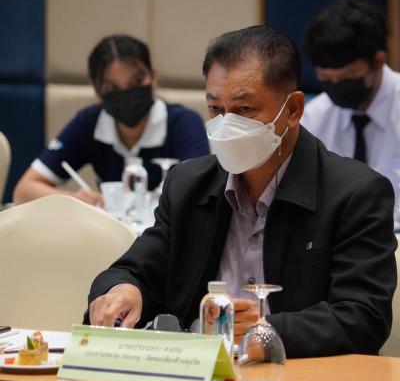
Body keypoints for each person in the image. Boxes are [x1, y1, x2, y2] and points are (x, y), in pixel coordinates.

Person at [86, 25, 397, 358]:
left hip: (298, 371)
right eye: (216, 109)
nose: (227, 125)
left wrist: (262, 331)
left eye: (245, 110)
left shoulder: (355, 193)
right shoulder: (188, 185)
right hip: (199, 371)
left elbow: (363, 318)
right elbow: (134, 269)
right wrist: (124, 289)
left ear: (292, 110)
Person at [13, 35, 209, 205]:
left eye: (136, 81)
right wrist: (76, 200)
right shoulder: (89, 122)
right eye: (112, 88)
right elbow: (23, 191)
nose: (127, 94)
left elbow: (198, 196)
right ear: (96, 89)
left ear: (153, 77)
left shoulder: (184, 123)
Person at [301, 0, 400, 191]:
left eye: (347, 78)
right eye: (326, 79)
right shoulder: (313, 120)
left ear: (378, 62)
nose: (336, 87)